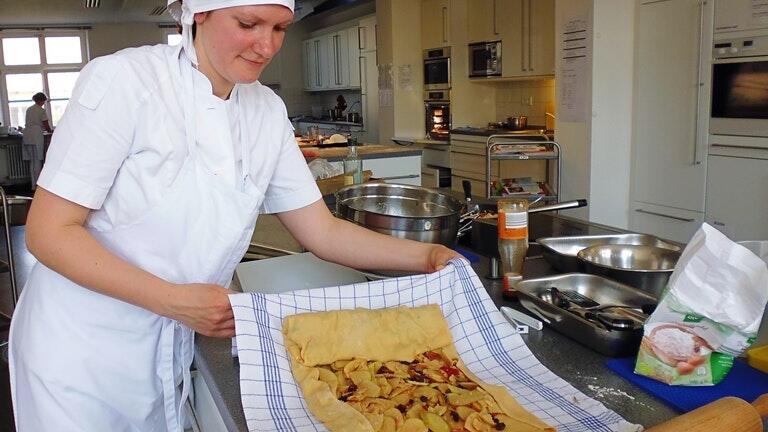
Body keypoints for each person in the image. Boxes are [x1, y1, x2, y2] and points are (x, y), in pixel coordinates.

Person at [8, 0, 461, 430]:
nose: (266, 46)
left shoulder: (265, 110)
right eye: (248, 24)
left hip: (175, 346)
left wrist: (428, 257)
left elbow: (322, 231)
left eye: (280, 27)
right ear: (199, 14)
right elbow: (48, 233)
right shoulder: (125, 82)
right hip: (82, 359)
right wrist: (172, 299)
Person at [21, 92, 53, 190]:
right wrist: (51, 131)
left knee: (32, 162)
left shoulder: (29, 109)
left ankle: (33, 185)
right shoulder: (41, 110)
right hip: (36, 135)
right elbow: (46, 124)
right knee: (38, 161)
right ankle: (39, 185)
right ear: (42, 100)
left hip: (27, 135)